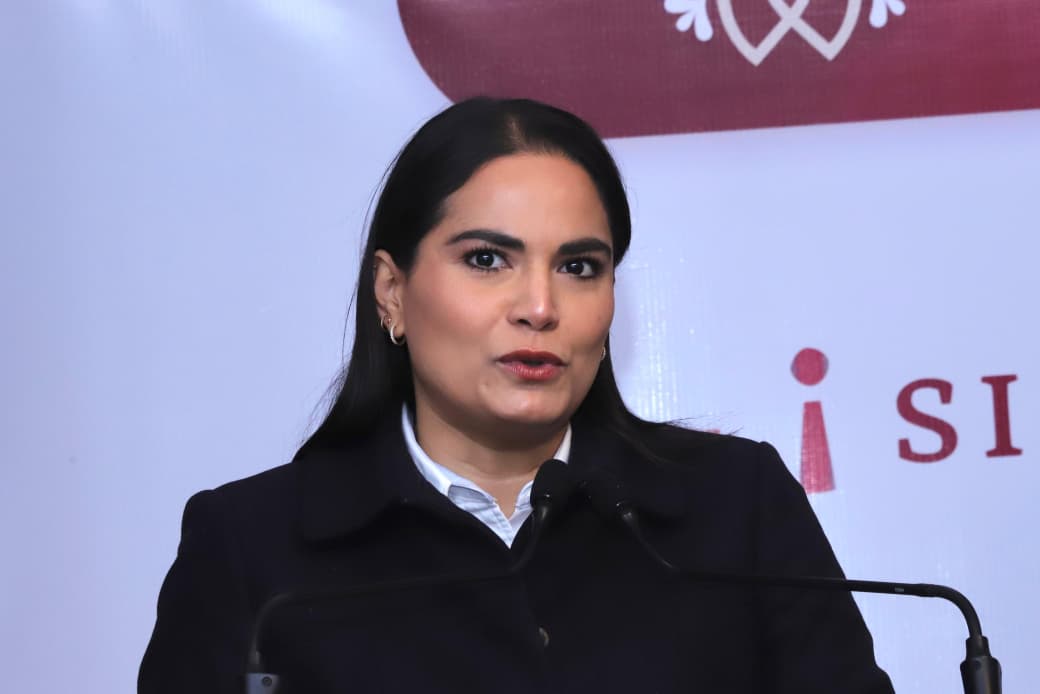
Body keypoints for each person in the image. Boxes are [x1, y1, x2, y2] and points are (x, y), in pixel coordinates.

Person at [139, 97, 894, 693]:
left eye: (578, 267)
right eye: (487, 259)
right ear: (392, 291)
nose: (539, 306)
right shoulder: (252, 550)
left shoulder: (737, 506)